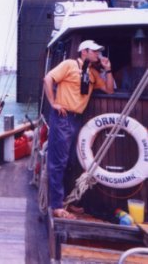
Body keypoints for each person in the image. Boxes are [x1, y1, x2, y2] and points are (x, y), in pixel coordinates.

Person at [43, 40, 114, 218]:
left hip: (76, 120)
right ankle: (56, 206)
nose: (98, 54)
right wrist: (53, 103)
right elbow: (48, 79)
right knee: (58, 162)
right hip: (62, 119)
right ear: (84, 52)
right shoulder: (69, 65)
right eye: (95, 51)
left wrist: (108, 70)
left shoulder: (93, 73)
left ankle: (67, 202)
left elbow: (110, 90)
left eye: (99, 52)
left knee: (70, 163)